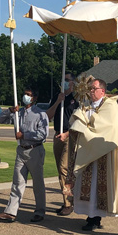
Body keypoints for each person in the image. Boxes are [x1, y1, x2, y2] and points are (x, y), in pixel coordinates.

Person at [65, 78, 118, 231]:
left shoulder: (110, 106)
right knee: (88, 186)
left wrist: (85, 120)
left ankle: (95, 218)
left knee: (98, 186)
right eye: (90, 89)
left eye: (94, 88)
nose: (91, 91)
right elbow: (77, 120)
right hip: (87, 150)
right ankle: (91, 215)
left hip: (103, 153)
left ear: (102, 91)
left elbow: (106, 126)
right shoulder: (85, 106)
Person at [0, 87, 49, 223]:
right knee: (17, 182)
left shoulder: (40, 114)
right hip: (21, 150)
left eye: (29, 95)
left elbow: (43, 135)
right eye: (25, 94)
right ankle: (11, 212)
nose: (26, 97)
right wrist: (9, 111)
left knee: (38, 183)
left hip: (35, 150)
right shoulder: (19, 112)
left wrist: (24, 134)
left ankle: (40, 211)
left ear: (34, 98)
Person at [46, 73, 78, 216]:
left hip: (70, 136)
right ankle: (67, 200)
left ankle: (69, 202)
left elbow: (79, 121)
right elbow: (48, 116)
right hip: (57, 134)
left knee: (64, 168)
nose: (64, 83)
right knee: (60, 170)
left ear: (72, 82)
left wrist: (67, 134)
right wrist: (58, 101)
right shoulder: (57, 97)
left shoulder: (76, 99)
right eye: (63, 80)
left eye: (67, 80)